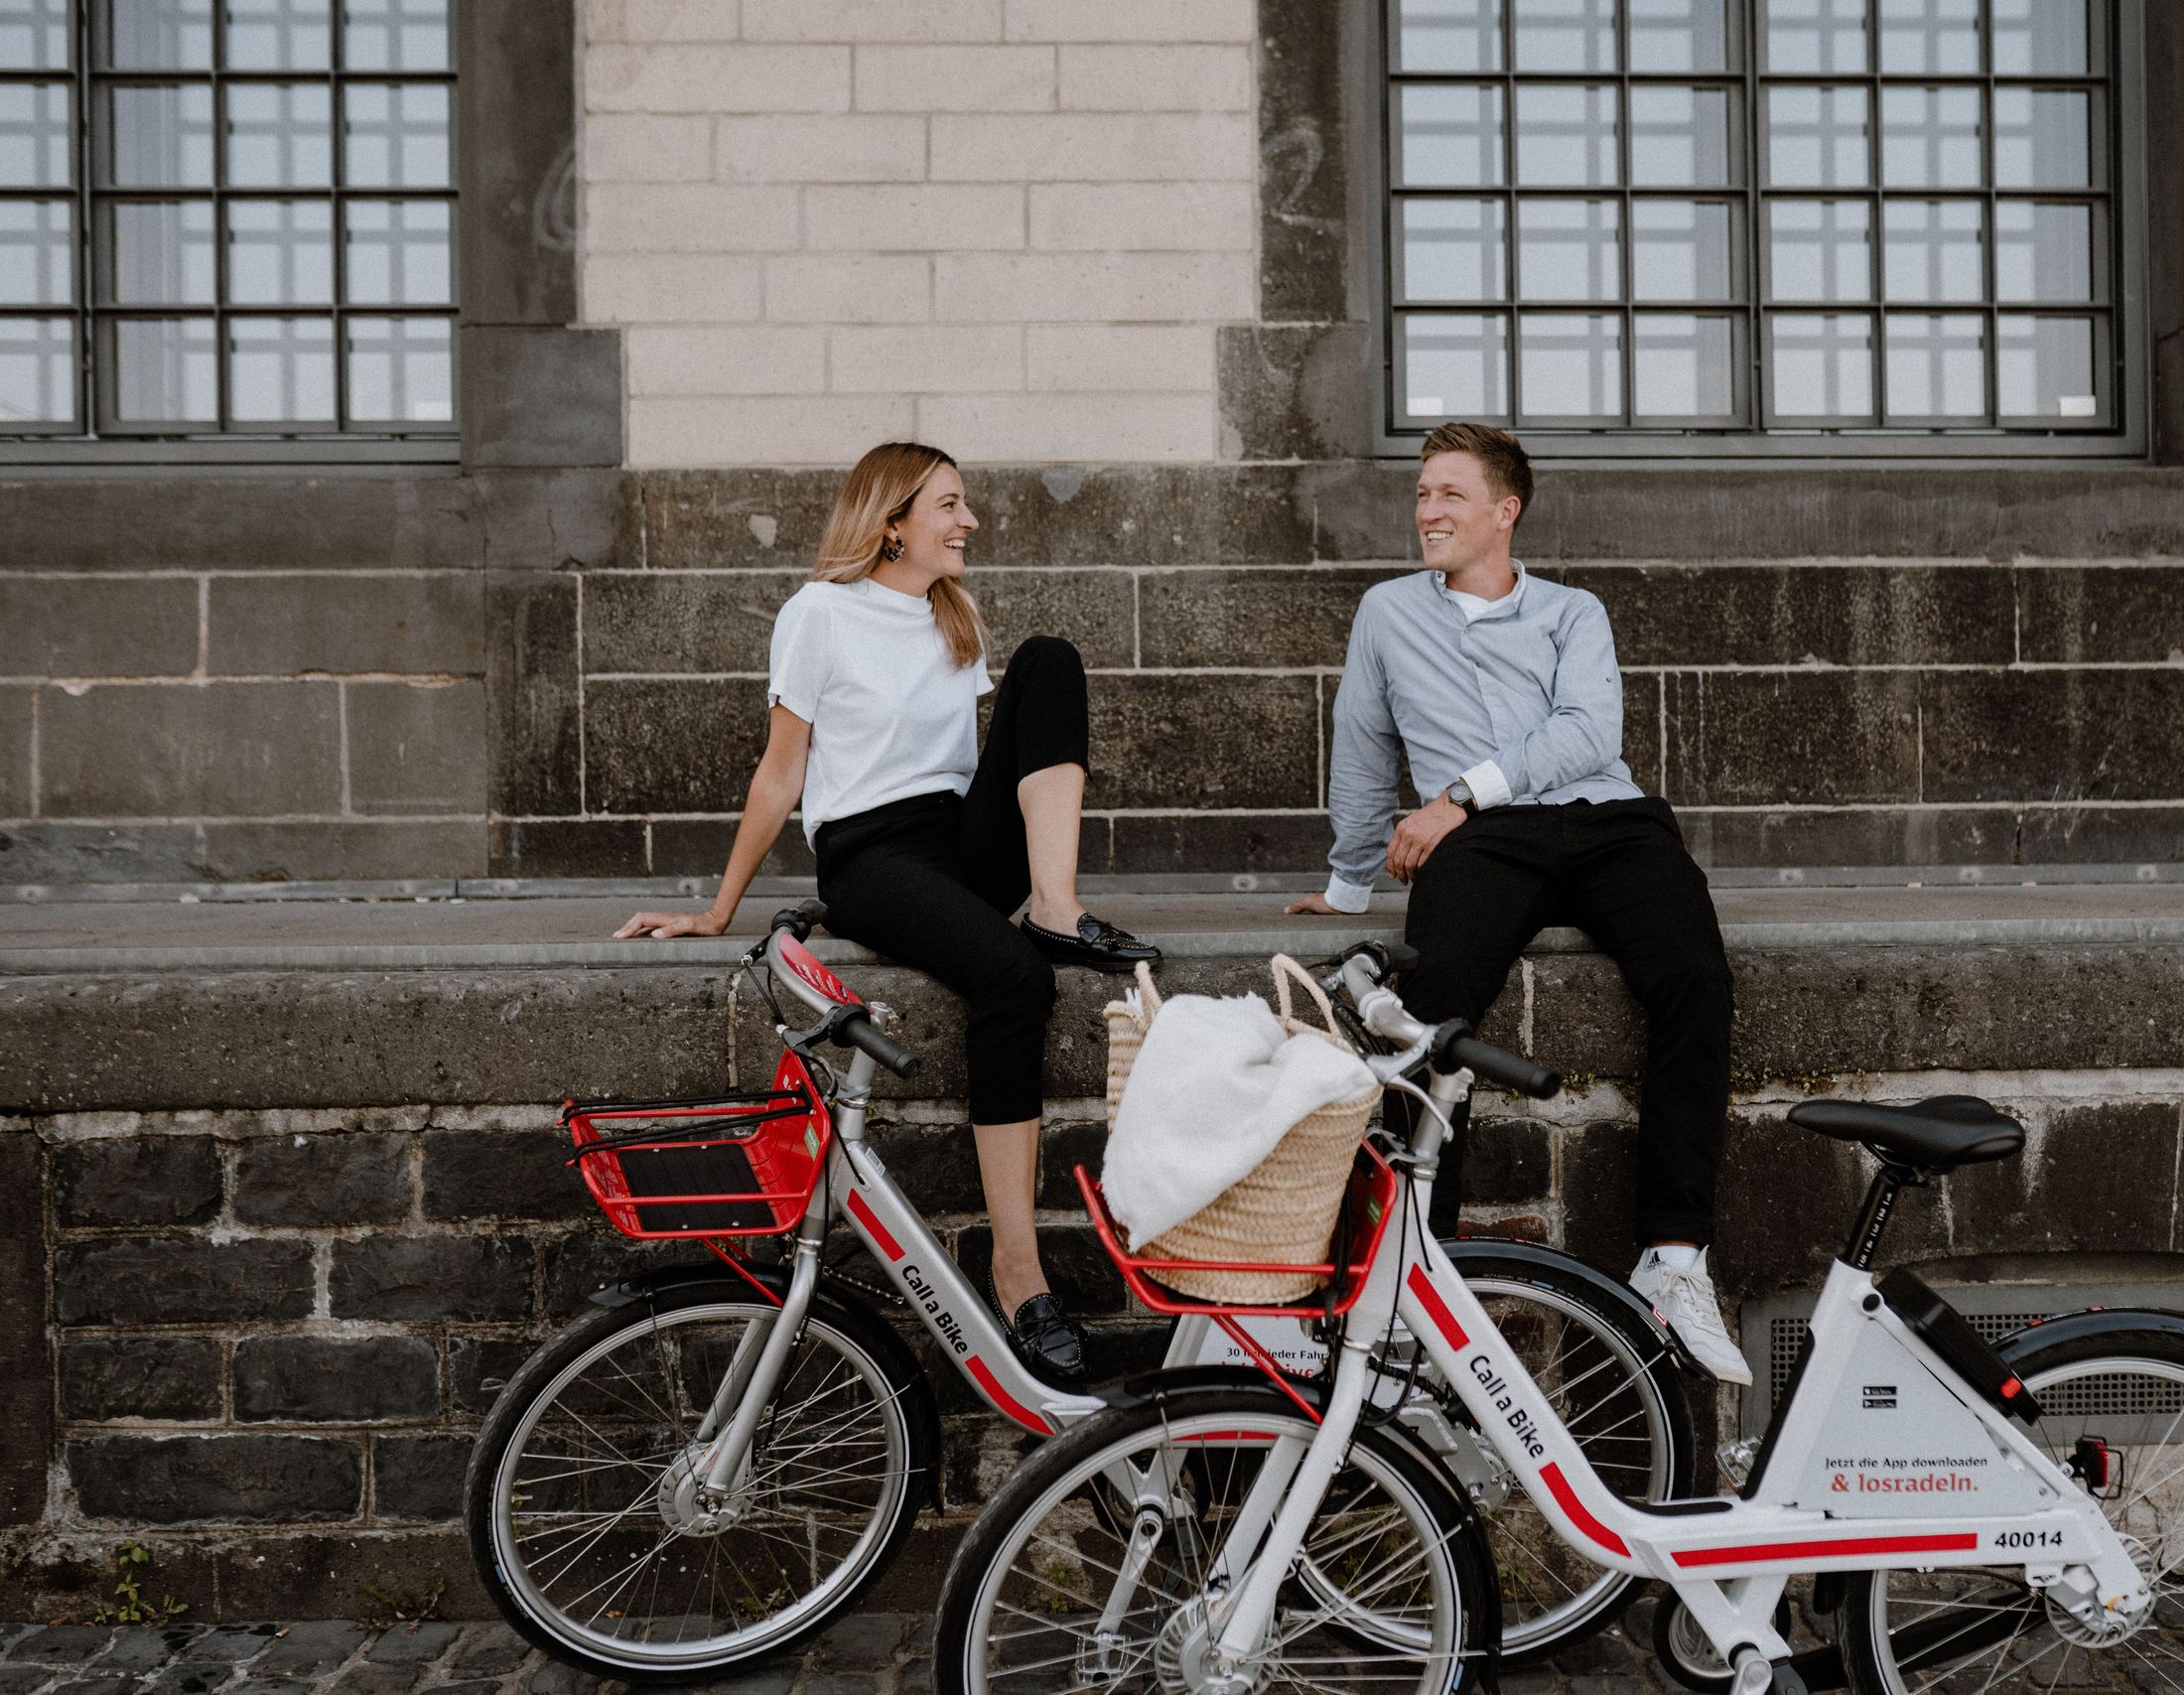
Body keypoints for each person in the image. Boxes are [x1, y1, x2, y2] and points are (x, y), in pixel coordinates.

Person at [617, 440, 1159, 1385]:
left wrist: (1021, 874)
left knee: (1052, 659)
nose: (969, 522)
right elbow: (782, 771)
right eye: (950, 505)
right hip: (871, 853)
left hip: (957, 841)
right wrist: (717, 909)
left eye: (966, 504)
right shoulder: (818, 612)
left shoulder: (958, 616)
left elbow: (995, 768)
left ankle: (1057, 904)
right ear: (892, 520)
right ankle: (1019, 1270)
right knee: (1013, 980)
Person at [1284, 421, 1748, 1385]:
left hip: (1600, 817)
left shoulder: (1574, 613)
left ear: (1505, 510)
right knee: (1429, 1013)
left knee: (1695, 977)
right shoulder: (1386, 613)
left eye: (1449, 494)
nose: (1427, 512)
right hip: (1482, 846)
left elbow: (1588, 733)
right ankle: (1411, 1267)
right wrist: (1345, 881)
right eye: (1420, 495)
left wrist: (1454, 796)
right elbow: (1362, 743)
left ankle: (1672, 1256)